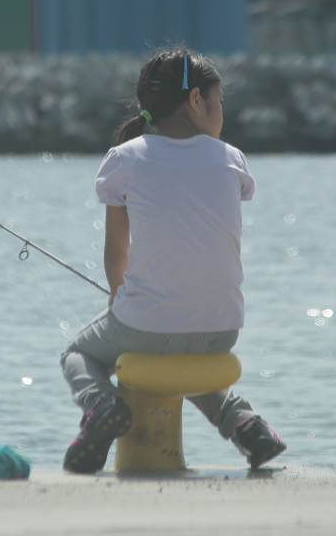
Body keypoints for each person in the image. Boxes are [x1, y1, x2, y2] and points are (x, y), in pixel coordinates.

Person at [60, 47, 286, 473]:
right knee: (175, 349)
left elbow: (116, 256)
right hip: (222, 328)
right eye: (219, 103)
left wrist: (118, 299)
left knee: (77, 354)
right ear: (196, 100)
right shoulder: (233, 160)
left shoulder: (123, 159)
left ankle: (100, 407)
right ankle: (244, 422)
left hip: (149, 325)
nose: (221, 115)